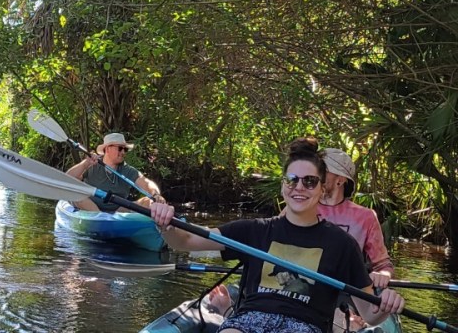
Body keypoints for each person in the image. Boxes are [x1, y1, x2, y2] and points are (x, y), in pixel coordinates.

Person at [150, 138, 404, 333]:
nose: (299, 188)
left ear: (321, 188)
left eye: (309, 182)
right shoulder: (254, 230)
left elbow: (370, 315)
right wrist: (166, 225)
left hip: (305, 325)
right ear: (283, 185)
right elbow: (185, 242)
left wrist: (386, 304)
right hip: (249, 320)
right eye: (292, 180)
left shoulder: (341, 244)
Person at [319, 148, 395, 332]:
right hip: (308, 285)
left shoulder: (365, 217)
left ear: (341, 179)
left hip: (348, 290)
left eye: (322, 170)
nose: (316, 174)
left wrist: (382, 275)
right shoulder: (303, 207)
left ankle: (349, 319)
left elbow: (383, 264)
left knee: (344, 319)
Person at [65, 132, 166, 212]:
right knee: (76, 195)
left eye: (125, 149)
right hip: (91, 209)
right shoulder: (91, 164)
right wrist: (85, 164)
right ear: (108, 149)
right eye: (120, 148)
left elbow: (146, 183)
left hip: (117, 212)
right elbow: (67, 180)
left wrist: (155, 194)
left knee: (148, 201)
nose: (123, 152)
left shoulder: (127, 170)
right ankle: (101, 219)